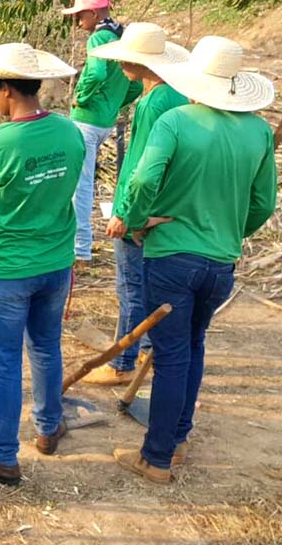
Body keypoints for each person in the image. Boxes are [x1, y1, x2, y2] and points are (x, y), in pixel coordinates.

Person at [112, 37, 277, 483]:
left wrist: (137, 218)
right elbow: (263, 203)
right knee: (194, 345)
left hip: (170, 257)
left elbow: (144, 178)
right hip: (221, 261)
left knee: (170, 356)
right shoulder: (259, 131)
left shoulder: (175, 122)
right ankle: (178, 435)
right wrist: (231, 229)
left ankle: (157, 457)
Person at [0, 44, 85, 486]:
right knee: (46, 345)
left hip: (9, 267)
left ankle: (3, 454)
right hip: (57, 260)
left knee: (5, 361)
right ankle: (48, 427)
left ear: (6, 89)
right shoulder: (69, 132)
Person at [80, 23, 189, 386]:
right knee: (153, 285)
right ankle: (143, 349)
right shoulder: (176, 94)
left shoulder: (152, 102)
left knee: (130, 287)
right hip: (167, 209)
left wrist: (127, 214)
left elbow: (141, 167)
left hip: (143, 210)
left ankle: (123, 360)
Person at [61, 0, 143, 264]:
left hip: (87, 119)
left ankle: (80, 248)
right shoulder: (122, 38)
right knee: (86, 184)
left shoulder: (99, 37)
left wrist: (79, 98)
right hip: (105, 122)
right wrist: (116, 103)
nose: (78, 21)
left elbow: (94, 73)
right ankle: (80, 244)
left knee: (80, 186)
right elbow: (136, 85)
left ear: (94, 13)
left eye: (80, 15)